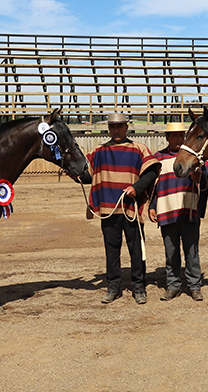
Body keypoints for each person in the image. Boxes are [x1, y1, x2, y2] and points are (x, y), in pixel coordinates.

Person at [80, 113, 161, 304]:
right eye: (113, 127)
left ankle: (139, 288)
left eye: (120, 126)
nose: (116, 130)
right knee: (111, 250)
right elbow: (85, 175)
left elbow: (151, 172)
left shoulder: (139, 149)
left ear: (127, 128)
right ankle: (113, 287)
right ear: (109, 129)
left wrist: (137, 188)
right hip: (108, 209)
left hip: (131, 209)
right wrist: (72, 172)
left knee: (136, 250)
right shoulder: (99, 151)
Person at [148, 122, 208, 301]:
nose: (178, 139)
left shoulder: (193, 157)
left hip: (189, 213)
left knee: (192, 252)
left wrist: (200, 176)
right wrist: (152, 206)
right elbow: (153, 186)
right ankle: (173, 285)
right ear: (167, 138)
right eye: (174, 135)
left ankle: (194, 286)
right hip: (167, 212)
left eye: (181, 135)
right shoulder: (158, 158)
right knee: (171, 253)